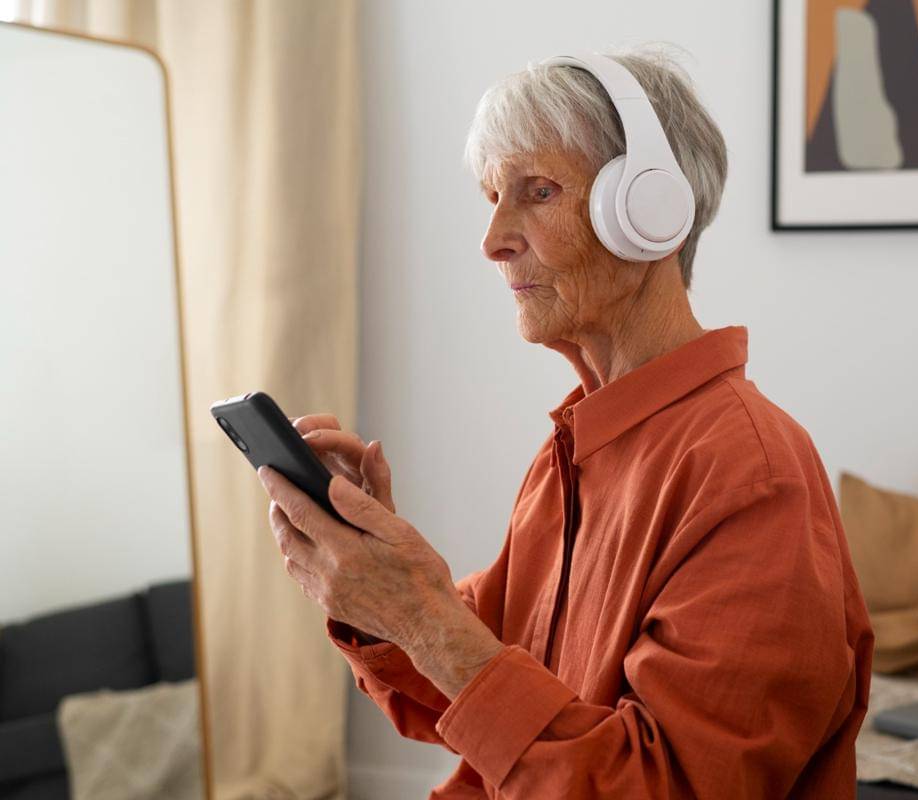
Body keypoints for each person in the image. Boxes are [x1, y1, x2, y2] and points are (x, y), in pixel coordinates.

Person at [258, 47, 873, 798]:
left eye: (537, 190)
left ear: (650, 211)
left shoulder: (751, 474)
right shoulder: (578, 450)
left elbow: (662, 786)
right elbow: (474, 680)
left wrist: (422, 618)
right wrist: (375, 576)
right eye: (491, 195)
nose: (493, 240)